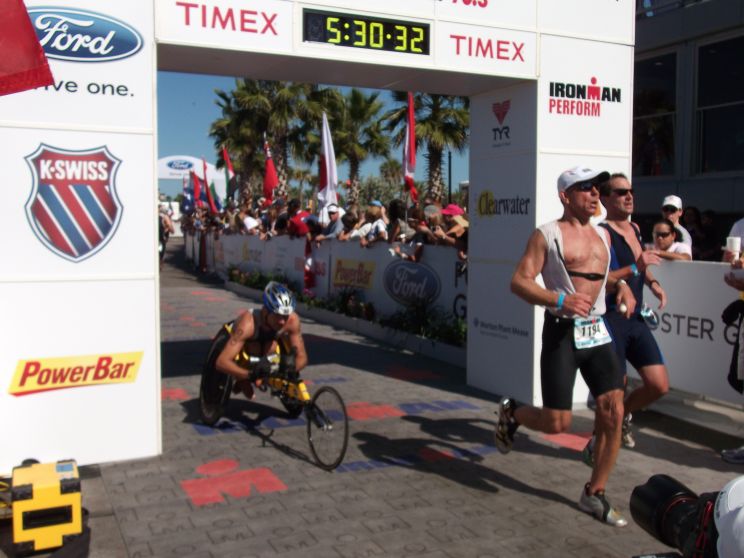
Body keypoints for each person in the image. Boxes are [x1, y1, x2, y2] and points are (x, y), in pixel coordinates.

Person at [496, 165, 635, 527]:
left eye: (597, 187)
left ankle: (595, 493)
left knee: (613, 412)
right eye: (585, 188)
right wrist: (559, 300)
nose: (594, 193)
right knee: (557, 423)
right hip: (562, 333)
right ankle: (513, 414)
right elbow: (519, 281)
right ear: (565, 196)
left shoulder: (603, 235)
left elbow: (601, 278)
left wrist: (621, 286)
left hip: (598, 331)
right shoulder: (547, 234)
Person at [595, 173, 668, 453]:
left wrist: (654, 284)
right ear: (605, 199)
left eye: (631, 191)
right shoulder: (602, 233)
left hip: (635, 320)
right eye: (621, 192)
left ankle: (621, 417)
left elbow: (643, 266)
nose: (629, 196)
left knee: (658, 385)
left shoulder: (635, 228)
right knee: (614, 393)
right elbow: (602, 278)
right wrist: (637, 266)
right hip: (611, 319)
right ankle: (599, 442)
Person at [215, 282, 308, 400]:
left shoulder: (292, 320)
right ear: (266, 310)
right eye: (277, 315)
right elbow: (221, 362)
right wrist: (249, 375)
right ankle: (242, 380)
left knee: (272, 347)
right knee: (254, 349)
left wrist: (288, 370)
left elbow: (302, 357)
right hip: (246, 349)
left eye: (285, 316)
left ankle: (259, 378)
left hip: (267, 347)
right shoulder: (248, 324)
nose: (282, 322)